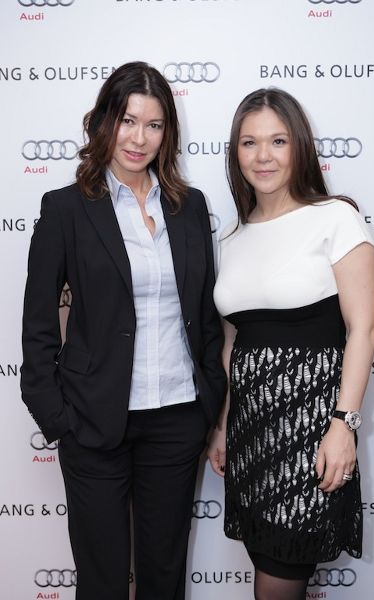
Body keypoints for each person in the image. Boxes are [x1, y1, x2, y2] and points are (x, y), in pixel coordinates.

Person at [21, 61, 226, 600]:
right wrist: (57, 418)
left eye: (153, 125)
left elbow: (204, 315)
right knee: (102, 582)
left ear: (167, 133)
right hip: (93, 423)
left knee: (164, 577)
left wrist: (209, 402)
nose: (138, 139)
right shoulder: (65, 209)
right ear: (104, 121)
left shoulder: (189, 207)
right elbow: (38, 325)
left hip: (178, 418)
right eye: (127, 121)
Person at [208, 87, 374, 600]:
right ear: (235, 153)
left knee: (277, 583)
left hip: (310, 435)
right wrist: (223, 423)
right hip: (251, 437)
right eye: (249, 143)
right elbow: (234, 341)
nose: (263, 156)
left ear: (299, 146)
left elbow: (363, 330)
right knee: (268, 570)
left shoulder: (336, 218)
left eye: (278, 141)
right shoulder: (231, 238)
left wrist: (343, 426)